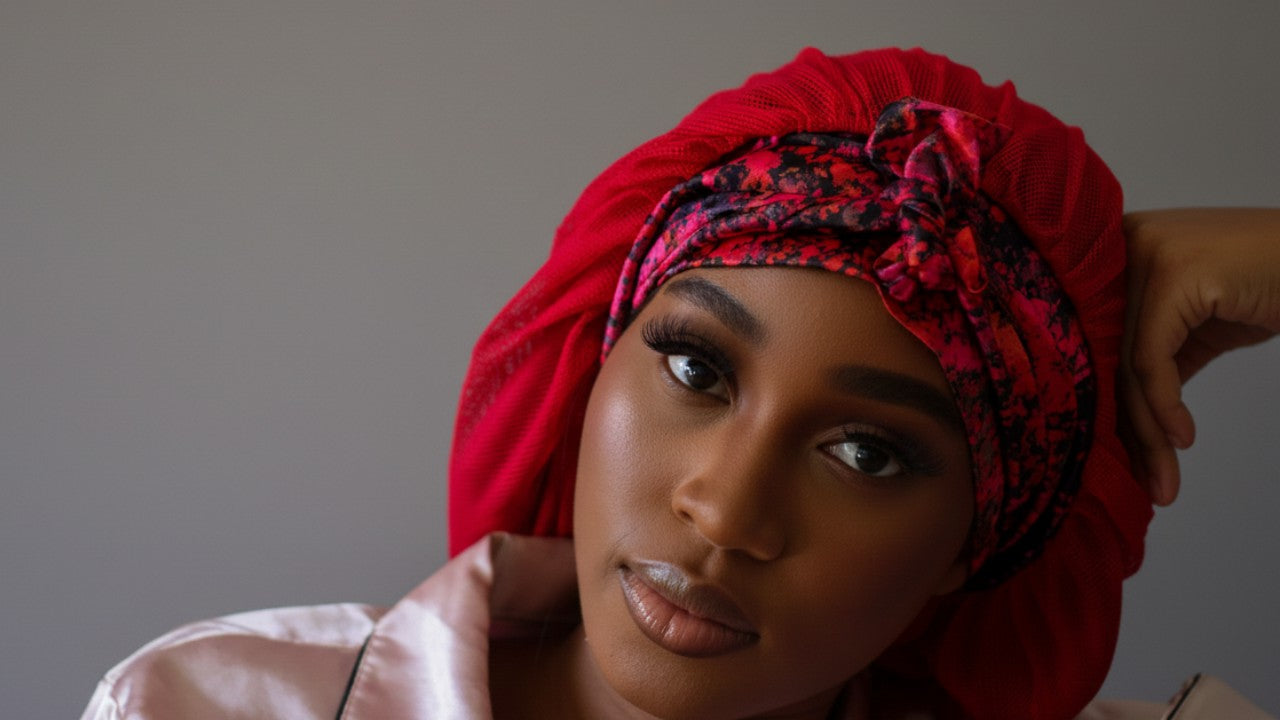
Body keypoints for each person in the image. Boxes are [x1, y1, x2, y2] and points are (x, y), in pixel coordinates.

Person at [80, 49, 1278, 720]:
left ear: (977, 542)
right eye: (697, 368)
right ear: (597, 357)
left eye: (864, 452)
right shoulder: (201, 707)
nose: (723, 509)